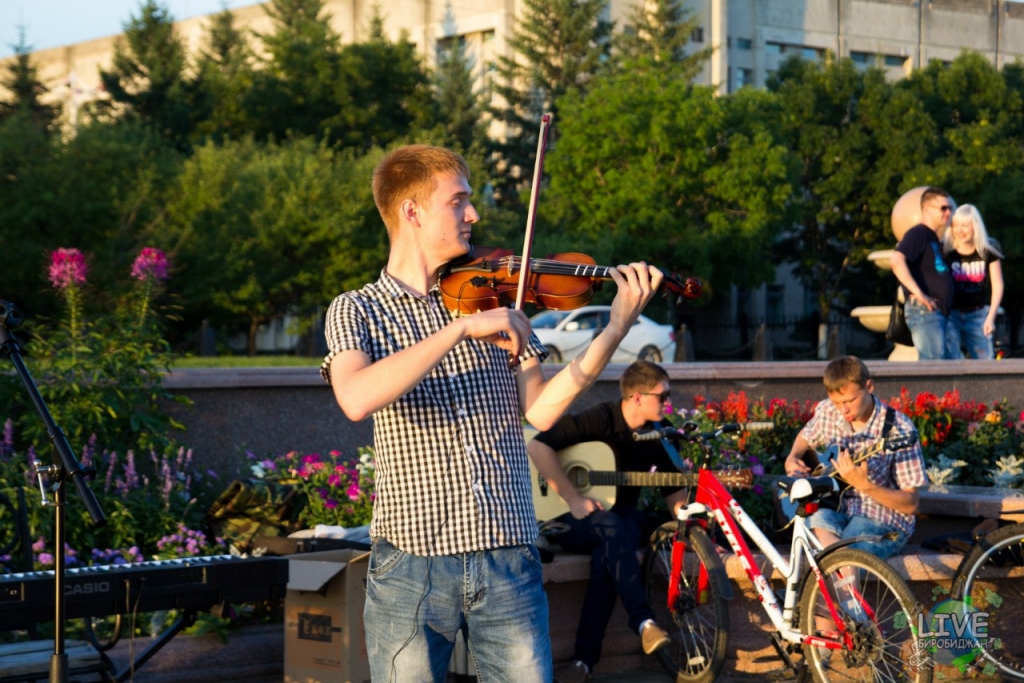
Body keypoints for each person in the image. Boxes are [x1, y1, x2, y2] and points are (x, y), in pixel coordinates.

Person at [320, 144, 663, 683]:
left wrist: (615, 327)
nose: (473, 215)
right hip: (413, 562)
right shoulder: (358, 309)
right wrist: (457, 330)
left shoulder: (493, 303)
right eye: (458, 202)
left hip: (506, 553)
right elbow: (357, 395)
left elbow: (543, 411)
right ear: (411, 211)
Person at [526, 361, 681, 683]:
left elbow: (674, 494)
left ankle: (583, 663)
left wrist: (693, 525)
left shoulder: (659, 435)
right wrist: (572, 496)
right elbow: (538, 445)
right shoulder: (601, 418)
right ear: (637, 397)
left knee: (610, 549)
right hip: (568, 518)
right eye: (662, 395)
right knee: (613, 528)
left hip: (618, 523)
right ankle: (642, 621)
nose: (668, 402)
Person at [783, 356, 927, 559]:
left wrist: (866, 486)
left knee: (843, 555)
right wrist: (792, 457)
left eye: (850, 400)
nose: (844, 410)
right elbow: (806, 436)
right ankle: (838, 571)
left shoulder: (899, 429)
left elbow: (911, 504)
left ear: (869, 386)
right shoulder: (828, 411)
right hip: (838, 508)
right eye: (837, 402)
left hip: (883, 517)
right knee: (815, 522)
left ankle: (839, 570)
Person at [889, 187, 955, 360]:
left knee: (940, 366)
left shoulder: (932, 237)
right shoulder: (918, 233)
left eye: (950, 208)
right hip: (925, 311)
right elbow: (896, 260)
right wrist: (920, 295)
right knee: (933, 368)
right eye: (942, 208)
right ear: (926, 209)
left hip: (936, 311)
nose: (948, 212)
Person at [943, 204, 1004, 360]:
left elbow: (997, 285)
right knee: (952, 359)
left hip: (977, 315)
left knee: (985, 360)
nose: (960, 230)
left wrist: (990, 317)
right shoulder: (947, 252)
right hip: (951, 315)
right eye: (955, 225)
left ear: (975, 226)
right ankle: (956, 386)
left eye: (965, 225)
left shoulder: (988, 251)